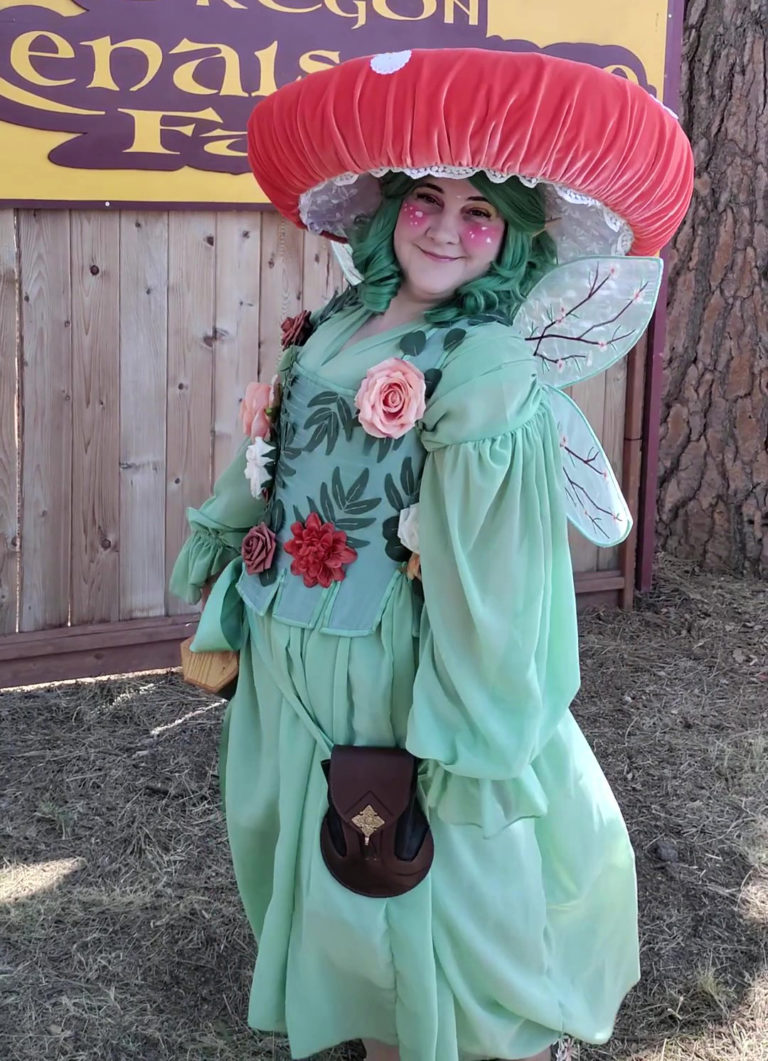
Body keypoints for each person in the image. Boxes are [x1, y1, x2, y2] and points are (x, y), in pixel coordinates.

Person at [170, 49, 693, 1061]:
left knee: (418, 853)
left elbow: (497, 560)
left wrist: (472, 705)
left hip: (393, 660)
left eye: (479, 210)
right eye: (424, 200)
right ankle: (367, 1012)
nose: (447, 228)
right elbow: (280, 451)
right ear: (386, 212)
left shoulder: (485, 360)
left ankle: (457, 1030)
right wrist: (222, 531)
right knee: (309, 834)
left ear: (510, 238)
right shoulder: (340, 320)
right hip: (291, 645)